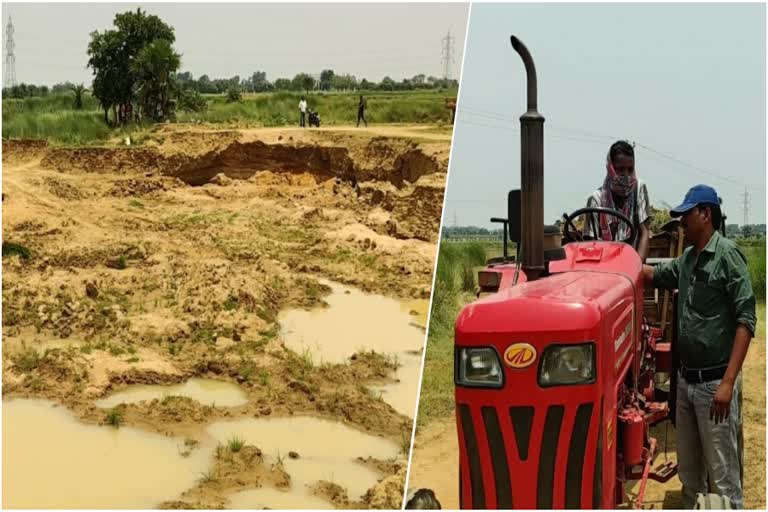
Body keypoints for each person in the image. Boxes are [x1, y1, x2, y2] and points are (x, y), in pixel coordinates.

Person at [642, 184, 755, 509]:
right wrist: (616, 266)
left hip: (713, 386)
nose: (680, 223)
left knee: (722, 477)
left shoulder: (727, 257)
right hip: (686, 383)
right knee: (691, 475)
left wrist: (728, 383)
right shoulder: (688, 260)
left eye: (685, 215)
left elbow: (746, 320)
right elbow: (655, 274)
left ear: (705, 215)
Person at [585, 140, 651, 262]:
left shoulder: (639, 189)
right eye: (620, 170)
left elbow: (644, 233)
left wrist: (637, 268)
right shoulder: (596, 199)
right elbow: (590, 244)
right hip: (604, 267)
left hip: (632, 265)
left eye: (630, 169)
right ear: (610, 168)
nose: (626, 175)